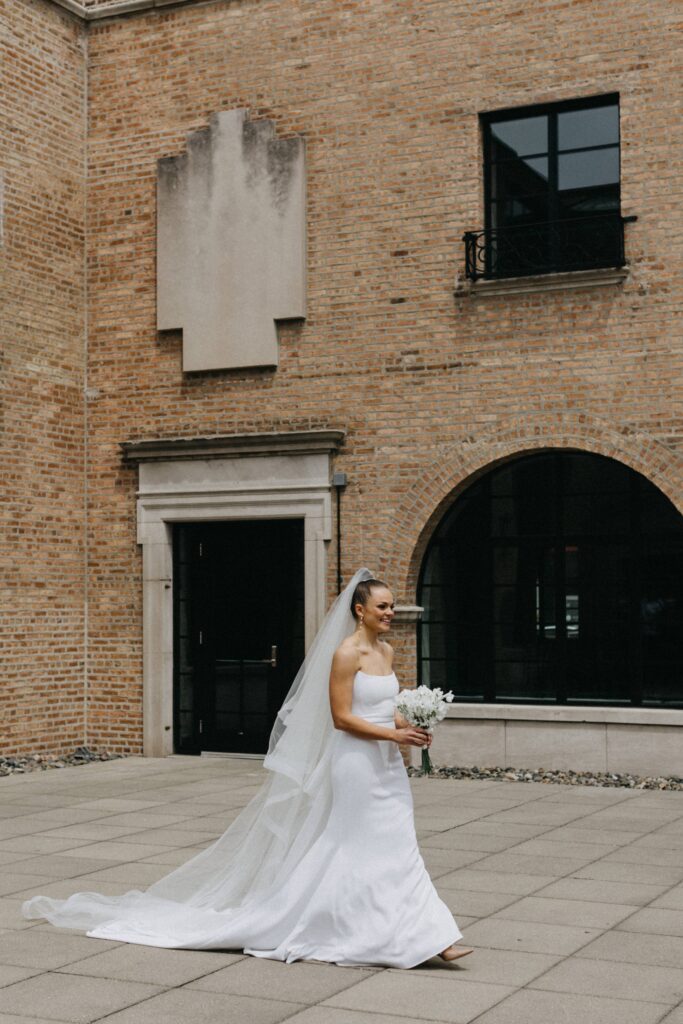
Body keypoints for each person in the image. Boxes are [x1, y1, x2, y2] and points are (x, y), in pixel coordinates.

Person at [22, 567, 472, 967]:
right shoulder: (345, 655)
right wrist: (393, 735)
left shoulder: (388, 654)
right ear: (359, 610)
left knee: (397, 844)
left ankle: (417, 933)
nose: (390, 612)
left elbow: (382, 709)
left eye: (392, 606)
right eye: (382, 606)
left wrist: (410, 723)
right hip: (354, 764)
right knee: (364, 845)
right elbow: (341, 718)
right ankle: (422, 937)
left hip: (386, 764)